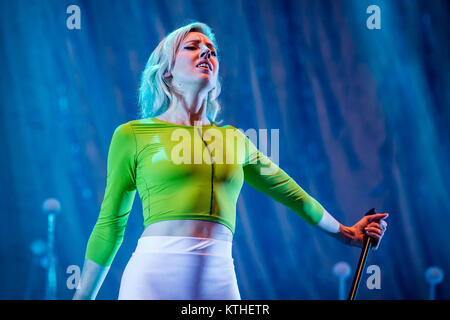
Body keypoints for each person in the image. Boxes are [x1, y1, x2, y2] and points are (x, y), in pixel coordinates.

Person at [72, 22, 388, 300]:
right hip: (153, 277)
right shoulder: (133, 135)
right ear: (166, 71)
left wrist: (348, 233)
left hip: (219, 279)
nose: (206, 53)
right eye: (192, 47)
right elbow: (110, 224)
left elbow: (295, 196)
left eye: (211, 50)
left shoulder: (236, 141)